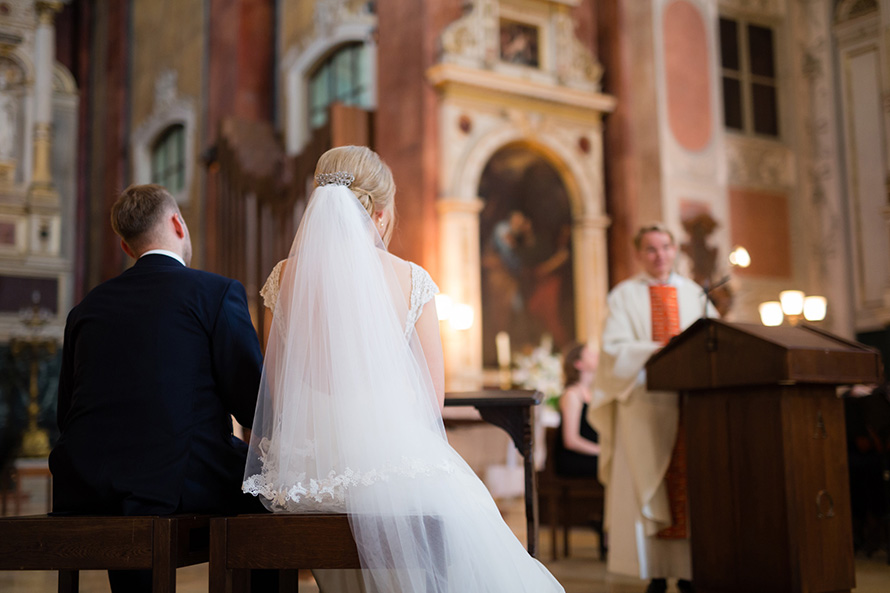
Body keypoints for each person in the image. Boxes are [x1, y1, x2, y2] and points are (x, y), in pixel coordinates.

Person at [242, 145, 564, 592]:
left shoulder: (284, 277)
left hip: (305, 477)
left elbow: (277, 385)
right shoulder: (411, 279)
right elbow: (432, 401)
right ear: (380, 211)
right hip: (387, 470)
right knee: (471, 522)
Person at [49, 184, 271, 593]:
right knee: (270, 492)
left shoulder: (86, 308)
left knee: (131, 473)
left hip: (85, 483)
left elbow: (66, 414)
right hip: (177, 480)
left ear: (125, 245)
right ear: (177, 223)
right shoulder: (215, 293)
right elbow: (256, 407)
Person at [587, 223, 716, 593]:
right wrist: (664, 351)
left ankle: (690, 570)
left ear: (675, 250)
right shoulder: (623, 296)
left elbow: (713, 341)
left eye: (665, 248)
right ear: (639, 254)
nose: (659, 256)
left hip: (688, 406)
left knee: (690, 487)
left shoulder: (695, 295)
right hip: (643, 406)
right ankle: (657, 572)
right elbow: (614, 350)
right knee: (649, 485)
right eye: (650, 250)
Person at [554, 342, 600, 478]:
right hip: (575, 458)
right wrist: (601, 451)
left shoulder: (593, 393)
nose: (597, 356)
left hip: (590, 454)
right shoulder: (572, 394)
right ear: (578, 363)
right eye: (590, 355)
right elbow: (570, 440)